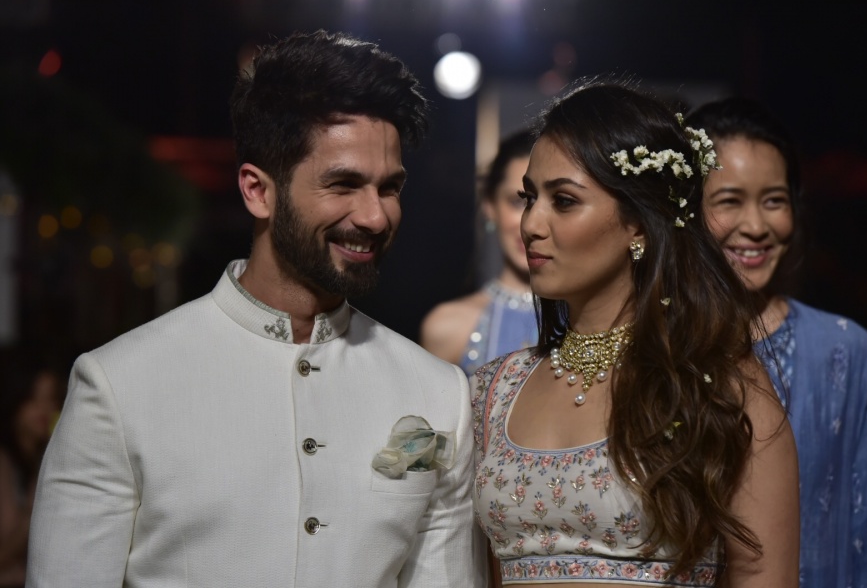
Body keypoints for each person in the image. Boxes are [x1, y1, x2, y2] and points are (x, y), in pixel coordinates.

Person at [26, 29, 483, 587]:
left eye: (389, 188)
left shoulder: (436, 391)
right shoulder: (120, 386)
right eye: (343, 184)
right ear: (257, 191)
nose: (375, 216)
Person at [470, 78, 800, 587]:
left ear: (640, 224)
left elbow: (763, 574)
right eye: (528, 197)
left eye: (563, 201)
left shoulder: (717, 385)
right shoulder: (495, 392)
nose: (531, 223)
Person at [687, 96, 867, 588]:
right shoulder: (651, 347)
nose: (758, 226)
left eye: (775, 201)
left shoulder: (844, 350)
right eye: (729, 200)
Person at [421, 130, 538, 375]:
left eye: (554, 201)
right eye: (518, 202)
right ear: (489, 205)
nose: (531, 223)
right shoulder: (447, 328)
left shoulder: (599, 324)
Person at [0, 354, 63, 588]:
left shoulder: (42, 456)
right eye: (35, 399)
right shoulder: (4, 461)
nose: (45, 409)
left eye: (51, 399)